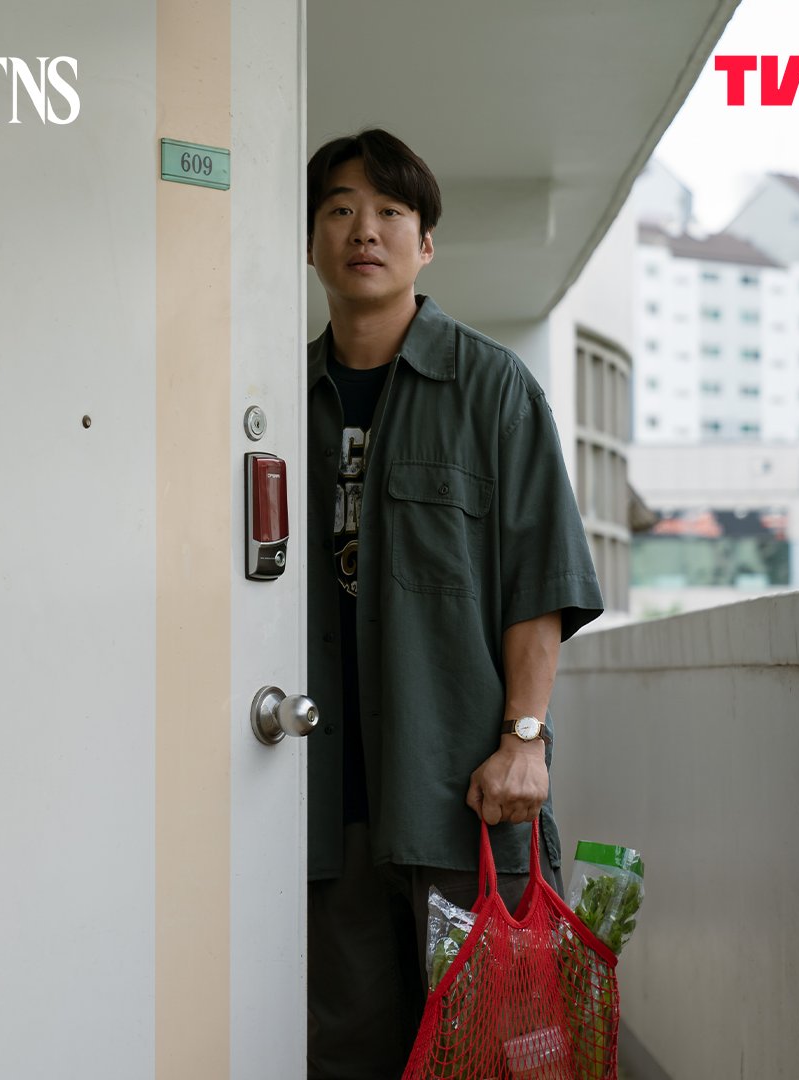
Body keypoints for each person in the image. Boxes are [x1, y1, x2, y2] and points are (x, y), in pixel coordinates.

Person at [305, 128, 603, 1079]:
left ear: (425, 243)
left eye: (391, 212)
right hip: (321, 803)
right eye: (340, 209)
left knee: (498, 1047)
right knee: (346, 1050)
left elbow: (539, 581)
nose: (365, 230)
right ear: (309, 241)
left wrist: (525, 739)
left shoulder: (492, 388)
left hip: (461, 788)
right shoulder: (272, 398)